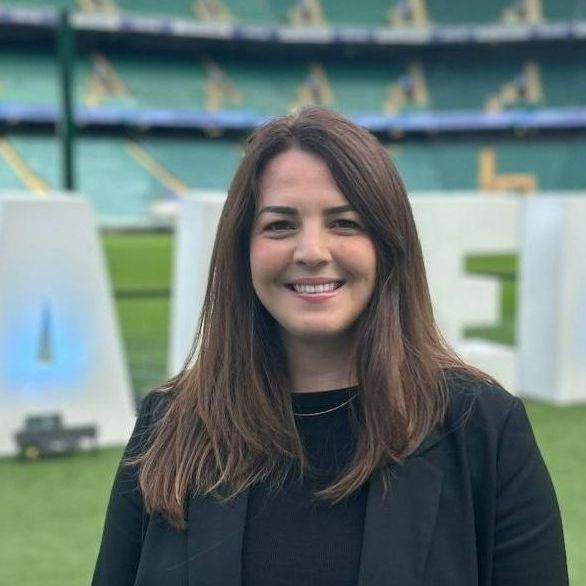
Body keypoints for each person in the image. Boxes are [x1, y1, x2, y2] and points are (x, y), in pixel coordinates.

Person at [92, 107, 568, 585]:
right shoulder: (169, 424)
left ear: (388, 245)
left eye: (345, 223)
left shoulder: (481, 427)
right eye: (280, 225)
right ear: (243, 251)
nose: (312, 251)